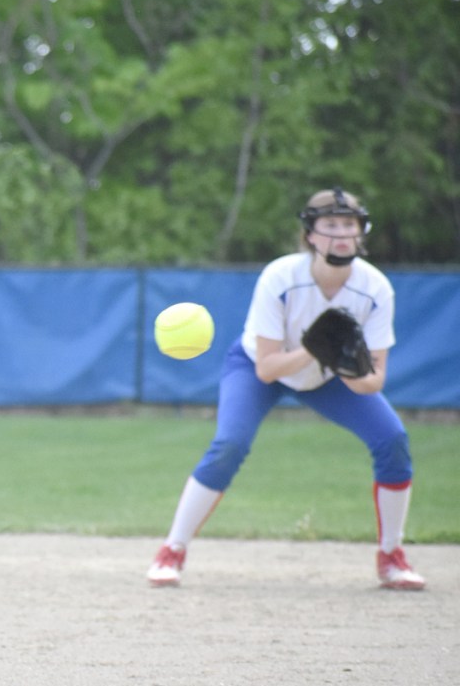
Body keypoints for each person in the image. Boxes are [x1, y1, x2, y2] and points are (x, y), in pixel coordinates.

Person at [146, 188, 425, 591]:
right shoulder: (281, 277)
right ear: (310, 234)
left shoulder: (375, 288)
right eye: (330, 224)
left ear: (361, 232)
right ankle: (172, 548)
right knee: (229, 444)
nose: (341, 234)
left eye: (350, 224)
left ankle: (391, 556)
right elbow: (266, 368)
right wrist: (314, 348)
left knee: (393, 439)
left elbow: (374, 380)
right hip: (258, 367)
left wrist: (347, 366)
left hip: (328, 376)